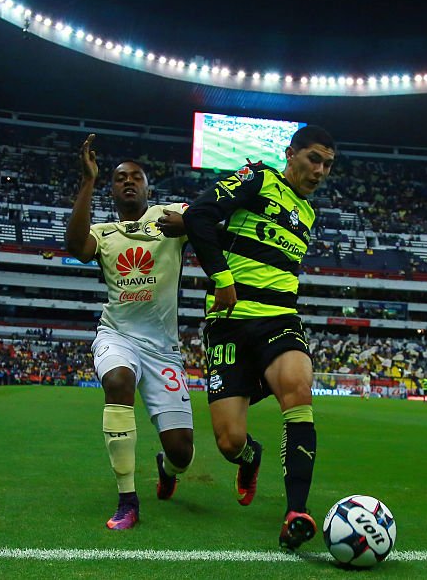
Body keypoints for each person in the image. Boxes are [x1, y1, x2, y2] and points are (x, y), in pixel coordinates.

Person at [173, 125, 335, 550]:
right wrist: (222, 277)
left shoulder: (309, 212)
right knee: (229, 441)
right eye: (314, 159)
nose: (320, 171)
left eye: (328, 165)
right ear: (291, 153)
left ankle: (296, 512)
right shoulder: (259, 179)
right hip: (228, 323)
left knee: (299, 390)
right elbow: (199, 215)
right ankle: (251, 457)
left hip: (279, 319)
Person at [65, 134, 196, 530]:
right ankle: (127, 500)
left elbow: (212, 221)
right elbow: (74, 246)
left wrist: (190, 222)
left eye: (135, 177)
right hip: (117, 336)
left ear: (147, 187)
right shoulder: (103, 233)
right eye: (120, 177)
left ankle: (166, 469)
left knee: (182, 454)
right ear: (111, 189)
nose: (128, 181)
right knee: (118, 380)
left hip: (163, 351)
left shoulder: (171, 217)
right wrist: (86, 180)